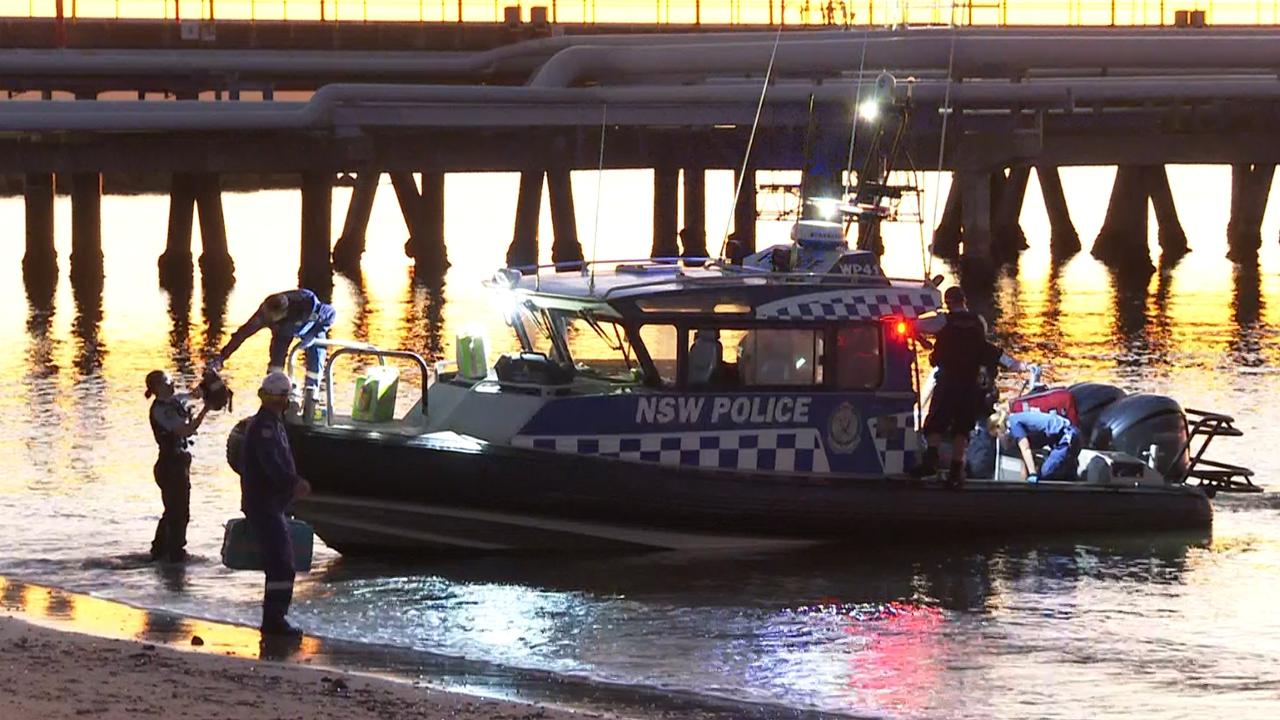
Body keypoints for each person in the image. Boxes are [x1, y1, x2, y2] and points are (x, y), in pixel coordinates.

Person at [911, 286, 1022, 487]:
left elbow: (915, 325)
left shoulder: (943, 320)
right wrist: (1016, 364)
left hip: (948, 383)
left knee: (936, 422)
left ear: (948, 303)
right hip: (969, 385)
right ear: (964, 300)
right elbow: (986, 348)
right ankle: (956, 470)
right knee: (963, 427)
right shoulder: (978, 322)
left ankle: (930, 462)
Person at [240, 371, 311, 636]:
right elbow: (272, 464)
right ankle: (274, 619)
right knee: (282, 564)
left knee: (280, 562)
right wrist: (293, 483)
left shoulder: (269, 423)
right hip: (265, 505)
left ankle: (275, 617)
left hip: (271, 504)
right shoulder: (265, 427)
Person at [212, 289, 335, 409]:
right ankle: (274, 400)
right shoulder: (264, 313)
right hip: (283, 332)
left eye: (271, 318)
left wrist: (313, 334)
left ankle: (311, 401)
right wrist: (222, 356)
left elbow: (331, 314)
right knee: (275, 368)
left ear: (283, 313)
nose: (267, 320)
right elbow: (243, 333)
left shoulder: (307, 302)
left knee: (315, 365)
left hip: (311, 328)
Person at [145, 370, 210, 563]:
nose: (172, 384)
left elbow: (194, 395)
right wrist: (206, 410)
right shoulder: (159, 410)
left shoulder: (175, 400)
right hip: (169, 465)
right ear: (157, 388)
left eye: (171, 381)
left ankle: (160, 551)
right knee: (178, 512)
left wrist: (208, 384)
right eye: (167, 383)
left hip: (180, 463)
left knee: (174, 510)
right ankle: (174, 553)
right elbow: (186, 430)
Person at [992, 408, 1082, 483]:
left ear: (999, 427)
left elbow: (1026, 449)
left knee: (1046, 473)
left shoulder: (1013, 423)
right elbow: (1024, 457)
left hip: (1067, 435)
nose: (998, 439)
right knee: (1065, 475)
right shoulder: (1015, 424)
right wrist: (1023, 483)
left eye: (997, 435)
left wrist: (1033, 474)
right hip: (1065, 437)